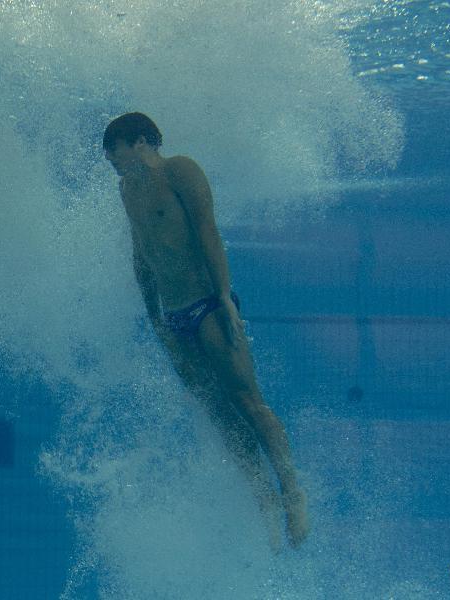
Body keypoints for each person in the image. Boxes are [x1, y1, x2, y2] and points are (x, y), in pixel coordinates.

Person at [103, 112, 310, 550]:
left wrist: (225, 300)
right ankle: (265, 502)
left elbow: (208, 232)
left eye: (114, 151)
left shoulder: (181, 170)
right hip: (175, 318)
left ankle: (292, 493)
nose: (111, 162)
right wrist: (154, 317)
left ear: (140, 141)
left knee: (247, 402)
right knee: (219, 416)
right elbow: (141, 255)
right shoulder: (127, 190)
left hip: (208, 307)